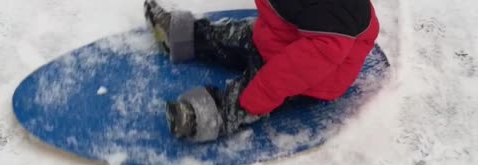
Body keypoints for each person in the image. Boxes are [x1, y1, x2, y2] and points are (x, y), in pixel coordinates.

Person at [144, 0, 379, 142]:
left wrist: (260, 94)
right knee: (235, 35)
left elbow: (301, 67)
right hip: (280, 37)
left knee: (253, 93)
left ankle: (209, 115)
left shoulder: (335, 11)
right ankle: (185, 37)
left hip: (315, 75)